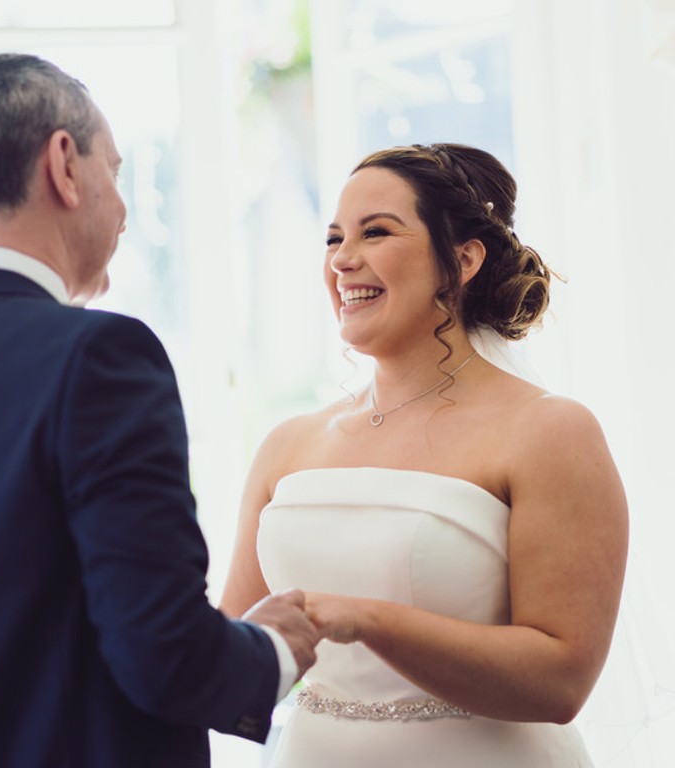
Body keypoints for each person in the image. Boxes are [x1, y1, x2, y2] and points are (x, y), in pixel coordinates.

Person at [0, 53, 319, 768]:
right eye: (117, 172)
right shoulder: (101, 357)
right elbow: (166, 652)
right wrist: (275, 648)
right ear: (63, 165)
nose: (124, 209)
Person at [221, 142, 628, 767]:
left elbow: (563, 679)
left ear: (462, 259)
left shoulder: (549, 431)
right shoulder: (289, 443)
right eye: (333, 240)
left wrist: (369, 619)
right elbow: (228, 646)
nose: (343, 261)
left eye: (375, 232)